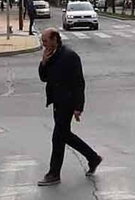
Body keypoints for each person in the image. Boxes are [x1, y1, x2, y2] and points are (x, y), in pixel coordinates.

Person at [36, 28, 100, 186]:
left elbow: (79, 83)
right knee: (64, 135)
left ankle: (53, 173)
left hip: (68, 102)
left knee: (58, 137)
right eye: (42, 41)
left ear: (54, 39)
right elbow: (43, 78)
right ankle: (93, 157)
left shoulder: (69, 56)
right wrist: (43, 62)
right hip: (57, 101)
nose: (43, 44)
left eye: (45, 41)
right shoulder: (50, 55)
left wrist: (79, 107)